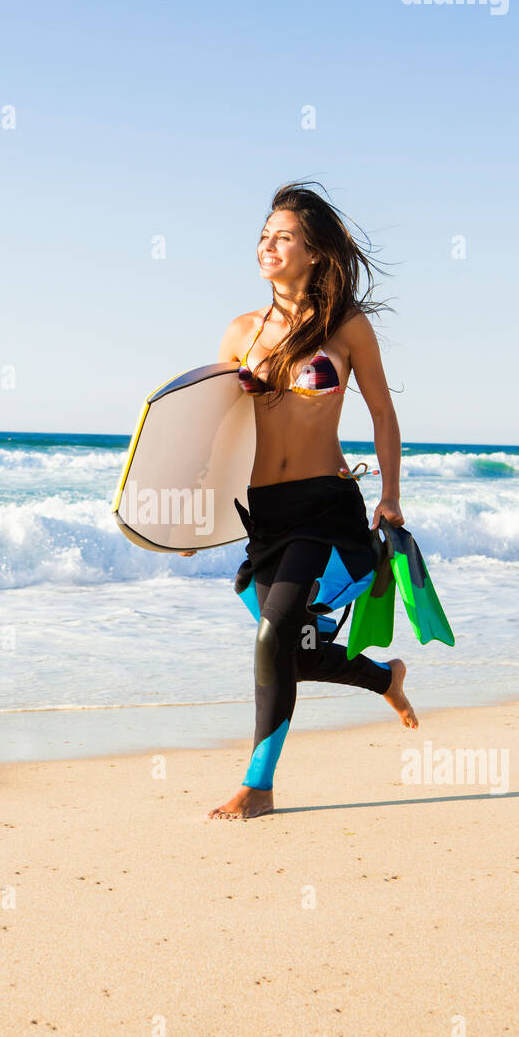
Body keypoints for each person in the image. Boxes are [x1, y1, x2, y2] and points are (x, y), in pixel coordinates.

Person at [183, 181, 418, 821]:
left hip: (324, 503)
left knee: (272, 638)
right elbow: (218, 433)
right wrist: (192, 509)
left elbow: (383, 413)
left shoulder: (346, 327)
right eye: (263, 235)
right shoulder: (239, 332)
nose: (269, 246)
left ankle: (258, 785)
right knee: (292, 648)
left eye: (283, 236)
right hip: (264, 510)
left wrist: (390, 498)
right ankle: (382, 678)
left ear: (314, 252)